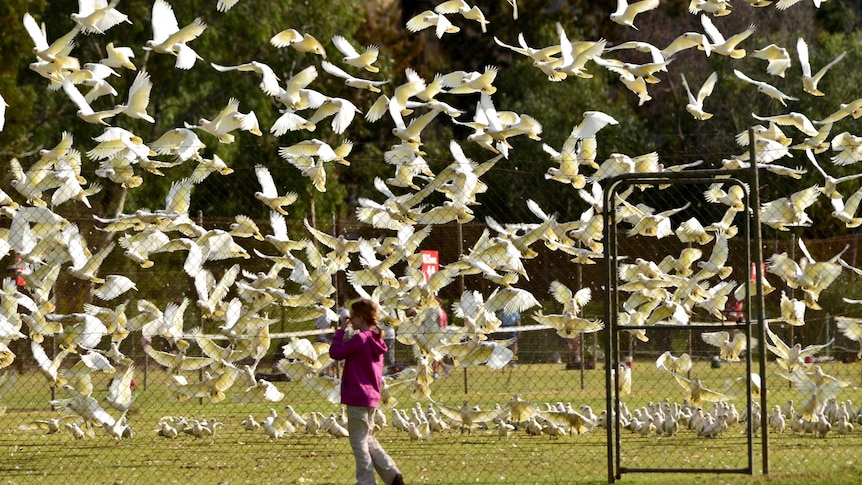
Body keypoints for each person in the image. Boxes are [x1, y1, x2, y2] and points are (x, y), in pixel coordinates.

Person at [328, 299, 403, 485]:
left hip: (357, 395)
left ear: (360, 318)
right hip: (371, 397)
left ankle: (366, 481)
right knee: (367, 437)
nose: (350, 320)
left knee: (358, 442)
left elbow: (335, 353)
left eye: (352, 316)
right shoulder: (376, 339)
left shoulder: (360, 338)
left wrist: (341, 331)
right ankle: (392, 474)